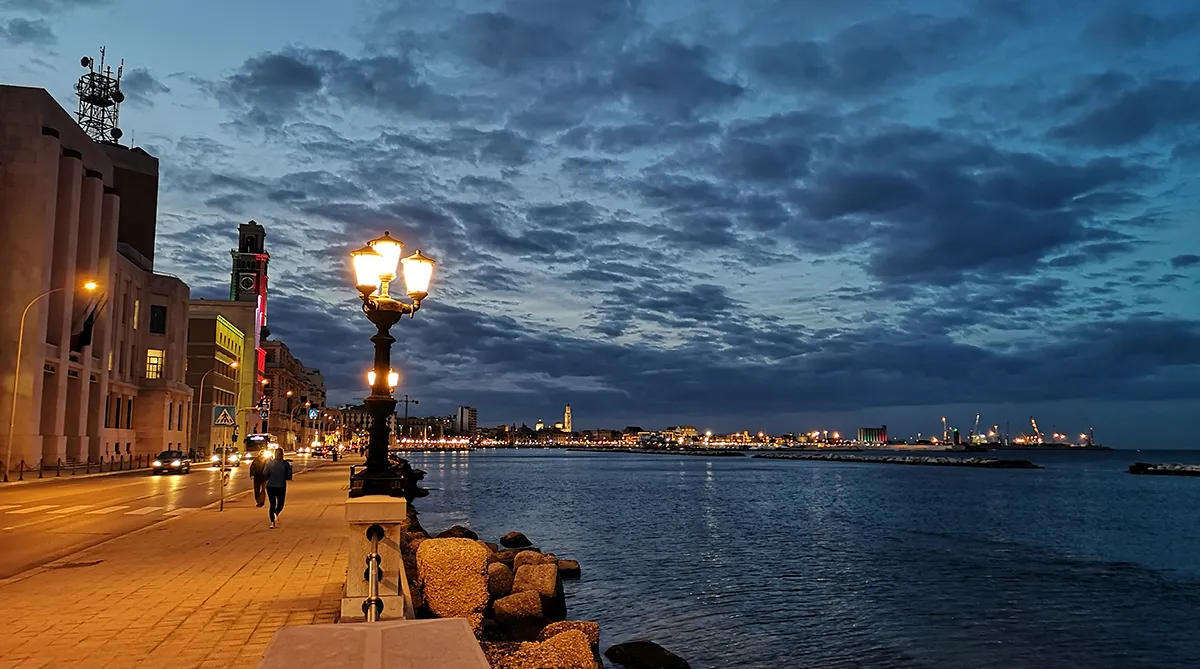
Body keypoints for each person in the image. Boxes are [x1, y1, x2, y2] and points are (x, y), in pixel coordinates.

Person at [263, 447, 292, 529]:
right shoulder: (285, 464)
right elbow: (289, 476)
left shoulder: (269, 463)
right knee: (280, 503)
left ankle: (272, 522)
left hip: (270, 486)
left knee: (272, 504)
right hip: (281, 485)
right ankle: (276, 513)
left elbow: (265, 473)